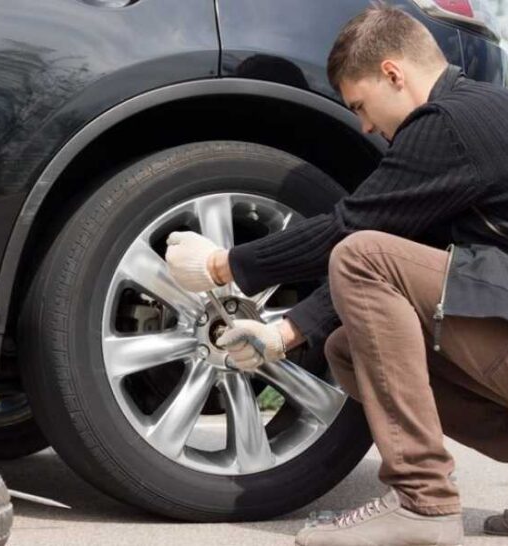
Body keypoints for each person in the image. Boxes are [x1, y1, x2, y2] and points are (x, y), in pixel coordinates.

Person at [165, 3, 508, 546]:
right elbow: (404, 253)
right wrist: (284, 333)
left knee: (361, 253)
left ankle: (423, 503)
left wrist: (221, 264)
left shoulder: (449, 125)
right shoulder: (480, 114)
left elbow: (349, 233)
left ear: (393, 73)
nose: (366, 126)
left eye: (361, 105)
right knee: (347, 346)